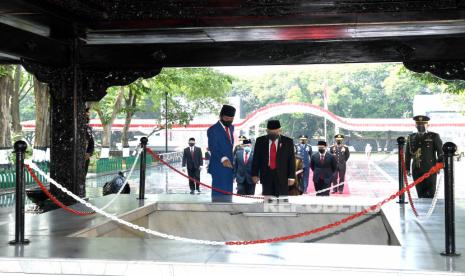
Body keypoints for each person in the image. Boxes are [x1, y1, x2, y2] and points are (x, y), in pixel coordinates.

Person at [251, 120, 296, 197]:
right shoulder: (260, 141)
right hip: (266, 175)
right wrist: (254, 174)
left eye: (275, 132)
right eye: (271, 132)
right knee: (267, 201)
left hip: (282, 176)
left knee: (282, 201)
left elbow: (291, 160)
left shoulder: (288, 142)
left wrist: (291, 176)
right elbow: (256, 158)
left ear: (279, 130)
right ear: (267, 131)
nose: (273, 134)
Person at [405, 115, 443, 198]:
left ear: (427, 125)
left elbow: (440, 152)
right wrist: (407, 168)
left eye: (423, 124)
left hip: (430, 169)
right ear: (415, 125)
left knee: (430, 193)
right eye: (418, 124)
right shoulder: (411, 137)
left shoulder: (434, 136)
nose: (420, 126)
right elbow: (407, 154)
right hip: (416, 169)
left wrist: (439, 165)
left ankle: (430, 209)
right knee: (420, 192)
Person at [207, 104, 236, 201]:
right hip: (219, 165)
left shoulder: (231, 128)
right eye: (226, 118)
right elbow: (213, 147)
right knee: (219, 196)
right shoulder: (213, 130)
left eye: (231, 119)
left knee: (228, 195)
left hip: (229, 167)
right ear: (221, 116)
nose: (229, 121)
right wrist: (223, 158)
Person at [84, 107, 94, 198]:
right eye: (86, 115)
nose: (88, 117)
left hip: (85, 157)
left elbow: (91, 143)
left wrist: (89, 153)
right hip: (76, 156)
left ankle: (82, 192)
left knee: (84, 175)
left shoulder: (89, 129)